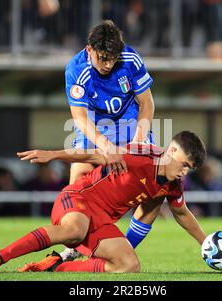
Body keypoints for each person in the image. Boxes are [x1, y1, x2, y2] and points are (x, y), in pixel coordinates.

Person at [0, 131, 207, 273]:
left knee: (129, 265)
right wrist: (52, 154)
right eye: (184, 164)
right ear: (172, 150)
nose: (185, 172)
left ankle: (57, 266)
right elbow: (91, 155)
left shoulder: (173, 184)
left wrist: (206, 244)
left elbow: (182, 213)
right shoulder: (139, 156)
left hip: (101, 222)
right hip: (78, 199)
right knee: (74, 231)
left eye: (190, 169)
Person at [62, 20, 156, 260]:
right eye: (103, 57)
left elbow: (147, 103)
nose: (108, 64)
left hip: (128, 122)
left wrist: (138, 141)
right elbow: (80, 118)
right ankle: (72, 244)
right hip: (94, 123)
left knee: (156, 190)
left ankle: (124, 246)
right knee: (78, 179)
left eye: (113, 58)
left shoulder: (130, 59)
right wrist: (106, 146)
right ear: (89, 49)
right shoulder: (75, 69)